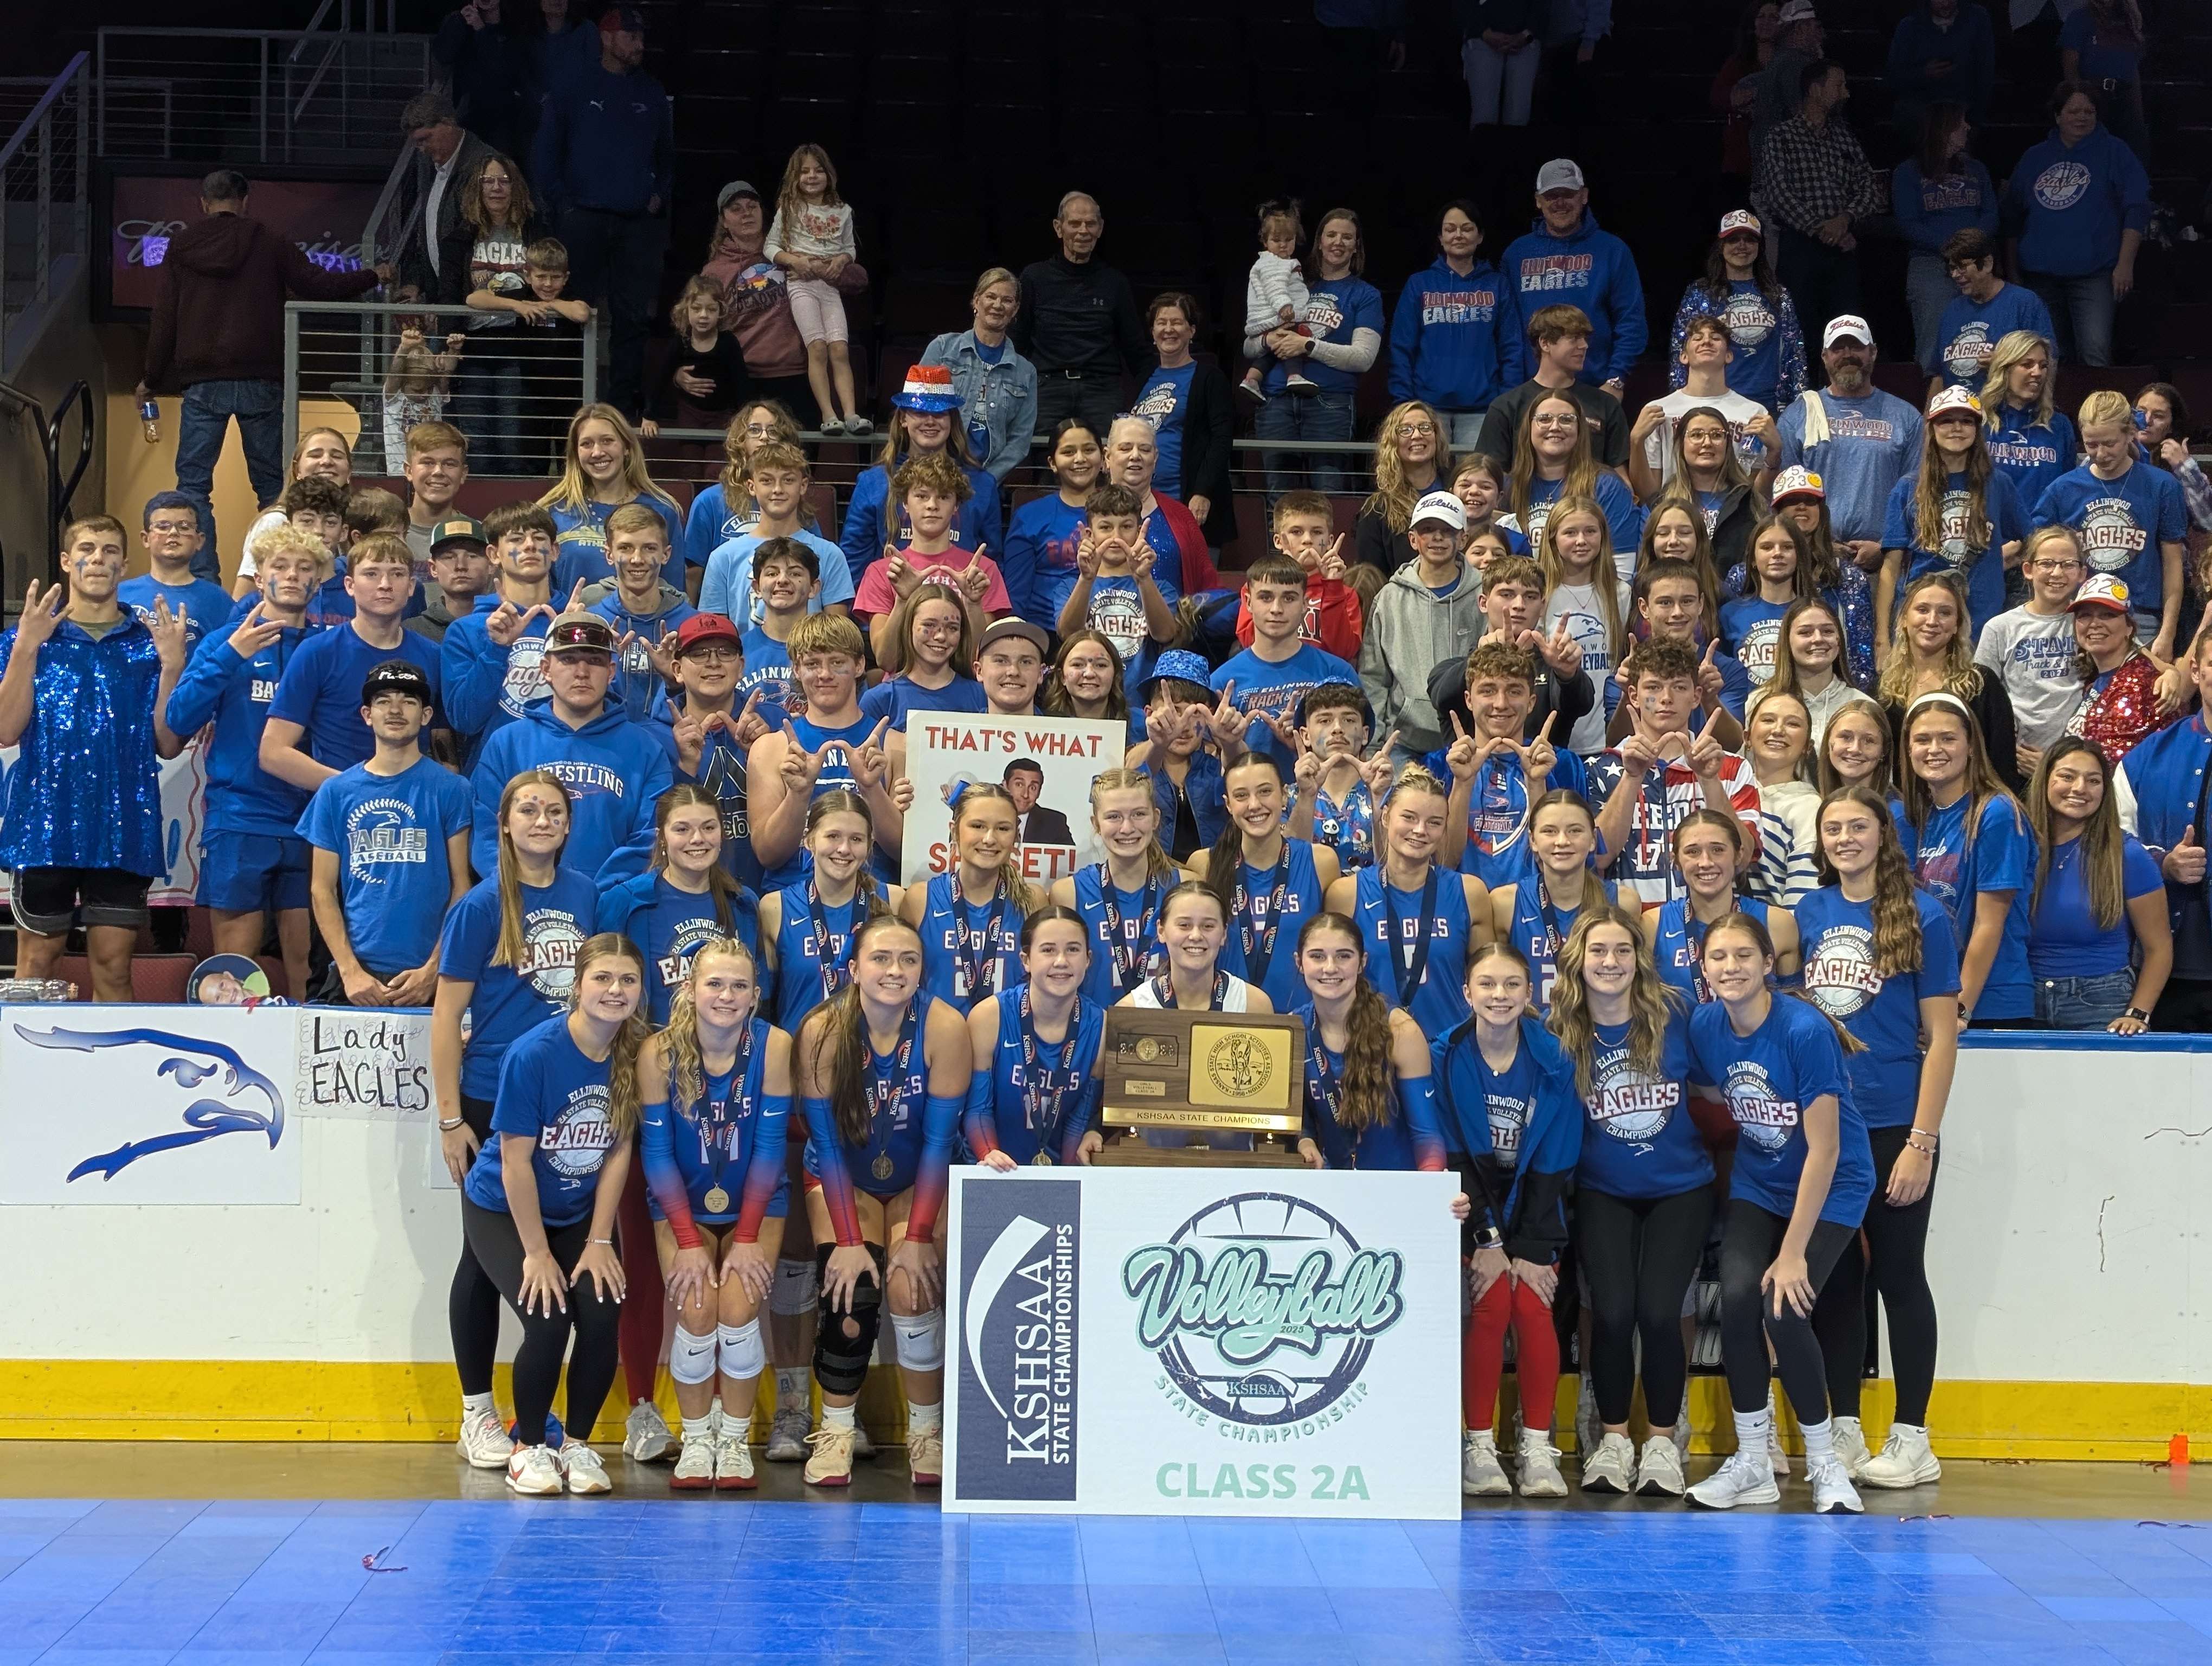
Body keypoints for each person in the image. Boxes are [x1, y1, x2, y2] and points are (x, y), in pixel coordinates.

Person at [1683, 911, 1875, 1514]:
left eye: (1744, 956)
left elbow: (1826, 1150)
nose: (1731, 967)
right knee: (1738, 1298)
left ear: (1769, 964)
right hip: (1760, 1184)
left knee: (1785, 1309)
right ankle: (1752, 1462)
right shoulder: (1707, 1024)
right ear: (1704, 968)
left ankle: (1824, 1466)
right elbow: (1709, 1088)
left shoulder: (1803, 1030)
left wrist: (1793, 1254)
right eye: (1719, 958)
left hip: (1834, 1186)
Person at [432, 767, 594, 1470]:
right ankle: (476, 1412)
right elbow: (445, 1017)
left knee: (518, 1257)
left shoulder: (587, 897)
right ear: (504, 823)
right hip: (488, 1098)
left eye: (552, 811)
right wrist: (448, 1118)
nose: (539, 820)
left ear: (566, 825)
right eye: (526, 809)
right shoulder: (479, 906)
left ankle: (529, 1406)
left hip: (563, 1099)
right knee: (479, 1257)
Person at [1799, 785, 1960, 1488]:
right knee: (1835, 1280)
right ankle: (1841, 1430)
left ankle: (1913, 1437)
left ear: (1882, 835)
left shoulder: (1925, 915)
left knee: (1899, 1277)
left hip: (1896, 1122)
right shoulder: (1807, 912)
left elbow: (1944, 1036)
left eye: (1857, 826)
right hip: (1826, 1127)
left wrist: (1923, 1140)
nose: (1844, 838)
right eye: (1833, 828)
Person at [459, 933, 648, 1495]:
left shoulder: (635, 1053)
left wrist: (599, 1241)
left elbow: (618, 1151)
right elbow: (516, 1162)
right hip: (502, 1206)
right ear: (578, 984)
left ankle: (579, 1445)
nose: (615, 990)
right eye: (603, 978)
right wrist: (537, 1255)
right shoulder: (534, 1053)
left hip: (576, 1214)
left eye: (628, 980)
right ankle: (530, 1445)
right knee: (547, 1316)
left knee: (601, 1307)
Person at [790, 913, 970, 1487]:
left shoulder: (945, 1027)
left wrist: (917, 1237)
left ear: (924, 969)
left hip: (920, 1175)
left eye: (909, 960)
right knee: (852, 1291)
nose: (895, 971)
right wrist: (846, 1239)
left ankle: (927, 1431)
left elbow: (942, 1141)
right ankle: (837, 1429)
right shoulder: (822, 1028)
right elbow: (824, 1142)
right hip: (845, 1177)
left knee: (910, 1288)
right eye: (881, 959)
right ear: (854, 969)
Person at [139, 170, 384, 576]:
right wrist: (374, 275)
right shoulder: (268, 240)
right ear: (246, 200)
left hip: (203, 380)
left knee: (194, 485)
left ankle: (202, 576)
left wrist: (151, 378)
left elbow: (164, 316)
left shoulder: (182, 246)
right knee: (274, 487)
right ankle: (285, 567)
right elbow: (317, 284)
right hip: (261, 377)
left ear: (203, 203)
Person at [1546, 903, 1710, 1497]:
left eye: (1622, 950)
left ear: (1639, 959)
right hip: (1602, 1191)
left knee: (1661, 1313)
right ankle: (1613, 1441)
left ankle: (1662, 1444)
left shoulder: (1676, 1014)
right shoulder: (1559, 1028)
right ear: (1578, 961)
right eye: (1598, 951)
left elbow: (1720, 1085)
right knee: (1612, 1314)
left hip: (1680, 1189)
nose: (1610, 962)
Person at [0, 520, 189, 1000]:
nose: (99, 559)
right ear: (67, 561)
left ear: (125, 565)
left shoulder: (149, 646)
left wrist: (172, 666)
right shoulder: (25, 640)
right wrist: (25, 647)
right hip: (44, 827)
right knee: (35, 969)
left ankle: (117, 1076)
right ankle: (30, 1077)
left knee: (114, 969)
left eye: (110, 551)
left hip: (124, 826)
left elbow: (168, 744)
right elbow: (6, 730)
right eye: (87, 549)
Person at [635, 938, 791, 1488]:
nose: (727, 996)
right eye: (715, 984)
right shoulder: (657, 1053)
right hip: (682, 1203)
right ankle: (699, 1438)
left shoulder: (774, 1048)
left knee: (738, 1309)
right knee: (698, 1310)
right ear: (691, 989)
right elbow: (656, 1156)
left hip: (757, 1199)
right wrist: (688, 1239)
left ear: (755, 996)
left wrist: (747, 1235)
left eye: (739, 986)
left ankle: (735, 1438)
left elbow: (771, 1150)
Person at [165, 526, 321, 998]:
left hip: (312, 823)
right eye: (280, 567)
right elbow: (178, 719)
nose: (292, 576)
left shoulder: (326, 649)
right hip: (240, 819)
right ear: (260, 579)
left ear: (319, 584)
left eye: (305, 569)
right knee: (233, 970)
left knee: (308, 965)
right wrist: (230, 656)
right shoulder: (224, 643)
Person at [300, 661, 473, 1007]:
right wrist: (350, 972)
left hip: (432, 975)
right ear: (367, 714)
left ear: (426, 716)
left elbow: (462, 887)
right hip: (357, 977)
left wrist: (435, 969)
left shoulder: (453, 789)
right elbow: (321, 889)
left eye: (408, 700)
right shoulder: (336, 792)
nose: (395, 709)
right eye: (383, 700)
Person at [531, 4, 673, 418]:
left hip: (634, 223)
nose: (639, 45)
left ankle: (623, 411)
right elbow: (546, 153)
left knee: (632, 319)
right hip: (584, 218)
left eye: (642, 37)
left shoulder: (650, 91)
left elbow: (667, 158)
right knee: (574, 310)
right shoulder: (573, 85)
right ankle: (566, 408)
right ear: (608, 38)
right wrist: (564, 204)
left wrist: (657, 196)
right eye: (631, 37)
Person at [469, 614, 670, 883]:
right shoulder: (507, 744)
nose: (582, 672)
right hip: (525, 900)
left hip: (614, 908)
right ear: (545, 668)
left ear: (612, 672)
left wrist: (605, 896)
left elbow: (651, 837)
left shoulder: (646, 750)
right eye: (569, 659)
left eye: (595, 661)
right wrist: (525, 886)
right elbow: (486, 832)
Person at [1895, 690, 2035, 1027]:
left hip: (1988, 1001)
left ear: (1971, 746)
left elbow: (1990, 923)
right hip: (1934, 995)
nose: (1934, 750)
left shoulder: (1996, 813)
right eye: (1923, 739)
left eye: (1948, 739)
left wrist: (1961, 1009)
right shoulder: (1917, 817)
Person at [1592, 637, 1763, 908]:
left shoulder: (1731, 768)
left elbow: (1742, 859)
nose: (1666, 699)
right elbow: (1598, 856)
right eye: (1654, 688)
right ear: (1634, 697)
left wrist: (1709, 780)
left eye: (1679, 687)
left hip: (1713, 929)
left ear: (1696, 697)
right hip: (1630, 929)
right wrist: (1632, 777)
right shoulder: (1601, 769)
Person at [261, 536, 443, 790]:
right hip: (341, 812)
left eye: (397, 574)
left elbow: (442, 743)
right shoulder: (317, 652)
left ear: (412, 586)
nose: (385, 585)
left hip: (414, 809)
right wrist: (355, 789)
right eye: (371, 574)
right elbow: (273, 753)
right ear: (349, 585)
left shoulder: (433, 655)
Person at [1324, 765, 1490, 1035]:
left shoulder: (1470, 893)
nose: (1421, 830)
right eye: (1409, 818)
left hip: (1449, 1050)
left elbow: (1488, 980)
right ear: (1387, 816)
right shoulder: (1346, 894)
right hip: (1371, 1050)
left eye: (1434, 822)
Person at [745, 613, 903, 887]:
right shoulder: (770, 748)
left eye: (837, 662)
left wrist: (872, 788)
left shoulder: (897, 745)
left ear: (859, 665)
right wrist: (799, 794)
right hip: (793, 898)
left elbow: (904, 851)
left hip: (873, 898)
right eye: (812, 664)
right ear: (796, 669)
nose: (825, 675)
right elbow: (767, 854)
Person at [2025, 736, 2170, 1030]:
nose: (2080, 788)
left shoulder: (2127, 855)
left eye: (2093, 781)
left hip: (2101, 1001)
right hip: (2024, 997)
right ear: (2044, 780)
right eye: (2067, 776)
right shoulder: (2018, 846)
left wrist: (2137, 1013)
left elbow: (2159, 948)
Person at [2003, 82, 2151, 369]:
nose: (2082, 117)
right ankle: (2051, 415)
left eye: (2089, 111)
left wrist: (2125, 265)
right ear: (2058, 116)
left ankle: (2098, 414)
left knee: (2095, 352)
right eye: (2074, 111)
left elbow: (2137, 208)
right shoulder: (2035, 157)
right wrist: (2012, 272)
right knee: (2042, 358)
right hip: (2040, 277)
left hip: (2094, 275)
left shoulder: (2114, 151)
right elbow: (2011, 217)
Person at [2035, 390, 2188, 659]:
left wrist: (2168, 633)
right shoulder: (2062, 490)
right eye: (2091, 445)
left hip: (2141, 617)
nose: (2101, 454)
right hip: (2081, 616)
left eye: (2110, 443)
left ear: (2130, 434)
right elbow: (2040, 558)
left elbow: (2173, 564)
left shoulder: (2162, 486)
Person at [597, 783, 761, 1023]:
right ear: (661, 837)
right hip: (649, 1053)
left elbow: (758, 996)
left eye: (709, 828)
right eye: (682, 829)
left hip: (726, 1054)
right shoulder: (623, 902)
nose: (697, 839)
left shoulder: (744, 904)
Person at [1250, 206, 1382, 501]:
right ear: (1319, 241)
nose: (1338, 242)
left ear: (1356, 245)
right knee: (1279, 500)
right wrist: (1268, 339)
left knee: (1327, 497)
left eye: (1347, 237)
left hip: (1330, 404)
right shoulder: (1290, 281)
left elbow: (1363, 358)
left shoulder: (1365, 295)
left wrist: (1307, 346)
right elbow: (1249, 344)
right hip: (1276, 400)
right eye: (1331, 235)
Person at [1190, 753, 1340, 1011]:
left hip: (1303, 1023)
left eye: (1265, 791)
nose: (1254, 805)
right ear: (1227, 805)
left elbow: (1339, 947)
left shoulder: (1321, 862)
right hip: (1226, 1023)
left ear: (1284, 796)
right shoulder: (1204, 865)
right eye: (1241, 796)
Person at [1879, 386, 2030, 642]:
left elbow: (2031, 539)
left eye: (1966, 421)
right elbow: (1891, 569)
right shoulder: (1908, 487)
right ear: (1932, 428)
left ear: (1977, 430)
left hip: (1982, 626)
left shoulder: (1998, 483)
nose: (1957, 428)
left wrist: (2001, 557)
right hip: (1926, 625)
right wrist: (1881, 639)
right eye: (1946, 421)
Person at [2117, 630, 2212, 1029]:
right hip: (2170, 970)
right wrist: (2161, 863)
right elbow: (2111, 842)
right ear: (2196, 669)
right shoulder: (2146, 756)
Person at [963, 908, 1107, 1168]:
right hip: (991, 1167)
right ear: (1026, 959)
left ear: (1088, 959)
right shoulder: (988, 1017)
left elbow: (1080, 1117)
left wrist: (1063, 1178)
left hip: (1059, 1169)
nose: (1061, 961)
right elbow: (978, 1108)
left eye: (1073, 950)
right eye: (1048, 950)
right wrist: (989, 1153)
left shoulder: (1102, 1026)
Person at [1779, 317, 1925, 573]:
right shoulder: (1798, 414)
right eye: (1838, 349)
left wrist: (1885, 547)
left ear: (1873, 352)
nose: (1847, 355)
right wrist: (1818, 545)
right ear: (1825, 357)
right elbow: (1782, 497)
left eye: (1856, 347)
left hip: (1885, 565)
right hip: (1811, 563)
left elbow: (1919, 496)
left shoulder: (1907, 417)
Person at [839, 370, 1005, 587]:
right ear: (903, 419)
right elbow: (854, 559)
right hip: (889, 609)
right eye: (920, 412)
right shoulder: (873, 482)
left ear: (952, 420)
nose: (930, 421)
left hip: (961, 608)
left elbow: (992, 561)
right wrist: (863, 621)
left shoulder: (982, 484)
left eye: (939, 413)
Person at [1499, 160, 1647, 401]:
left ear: (1584, 196)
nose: (1560, 203)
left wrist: (1616, 381)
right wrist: (1513, 391)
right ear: (1538, 201)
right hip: (1531, 391)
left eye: (1568, 194)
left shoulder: (1612, 250)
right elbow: (1508, 330)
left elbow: (1631, 321)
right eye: (1551, 196)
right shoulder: (1516, 254)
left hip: (1595, 390)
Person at [1361, 490, 1490, 765]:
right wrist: (1373, 745)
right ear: (1413, 539)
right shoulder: (1389, 598)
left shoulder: (1485, 595)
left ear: (1463, 538)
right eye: (1428, 530)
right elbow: (1374, 679)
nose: (1438, 538)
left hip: (1471, 739)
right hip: (1403, 743)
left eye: (1448, 530)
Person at [1756, 60, 1879, 337]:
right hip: (1801, 247)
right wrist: (1822, 228)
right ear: (1815, 89)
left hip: (1843, 247)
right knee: (1802, 334)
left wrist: (1845, 220)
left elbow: (1870, 188)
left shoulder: (1845, 139)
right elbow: (1778, 194)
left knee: (1847, 333)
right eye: (1839, 85)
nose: (1846, 92)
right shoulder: (1781, 136)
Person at [1012, 191, 1146, 441]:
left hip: (1102, 390)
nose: (1083, 231)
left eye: (1090, 224)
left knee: (1106, 465)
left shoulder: (1115, 282)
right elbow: (1017, 342)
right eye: (1075, 223)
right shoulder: (1034, 278)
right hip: (1047, 388)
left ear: (1101, 228)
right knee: (1045, 467)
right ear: (1058, 228)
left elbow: (1135, 348)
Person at [1210, 557, 1362, 773]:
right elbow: (1214, 768)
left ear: (1305, 604)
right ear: (1248, 601)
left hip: (1320, 802)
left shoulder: (1337, 673)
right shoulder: (1222, 681)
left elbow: (1357, 755)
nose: (1276, 609)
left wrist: (1308, 740)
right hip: (1254, 803)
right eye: (1265, 597)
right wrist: (1230, 742)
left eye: (1289, 598)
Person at [758, 790, 895, 1029]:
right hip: (799, 1058)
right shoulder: (776, 908)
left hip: (870, 1060)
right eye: (833, 836)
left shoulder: (893, 901)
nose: (844, 849)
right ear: (809, 840)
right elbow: (764, 1006)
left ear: (869, 844)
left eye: (856, 839)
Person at [854, 454, 1011, 658]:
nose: (932, 505)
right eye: (921, 496)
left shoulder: (981, 570)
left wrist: (973, 605)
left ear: (956, 506)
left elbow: (978, 659)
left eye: (944, 497)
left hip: (963, 685)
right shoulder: (884, 571)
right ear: (905, 503)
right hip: (902, 685)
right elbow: (886, 659)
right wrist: (903, 601)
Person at [898, 783, 1038, 1013]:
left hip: (1009, 1043)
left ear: (1016, 834)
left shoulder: (1032, 901)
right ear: (955, 830)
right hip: (939, 1042)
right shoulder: (920, 900)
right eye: (978, 826)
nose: (989, 839)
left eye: (1003, 829)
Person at [441, 502, 561, 766]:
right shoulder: (467, 630)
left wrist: (576, 636)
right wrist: (496, 649)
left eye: (539, 538)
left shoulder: (576, 620)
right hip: (495, 775)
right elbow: (465, 720)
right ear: (494, 554)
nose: (530, 546)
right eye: (517, 539)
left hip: (566, 768)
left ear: (554, 551)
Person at [1880, 572, 2021, 792]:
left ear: (1957, 625)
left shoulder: (1981, 684)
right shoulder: (1886, 691)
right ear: (1904, 619)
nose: (1932, 621)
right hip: (1907, 813)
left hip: (1974, 811)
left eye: (1945, 613)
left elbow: (2003, 767)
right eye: (1923, 610)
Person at [1386, 201, 1510, 451]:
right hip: (1427, 410)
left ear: (1480, 236)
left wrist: (1505, 402)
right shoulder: (1419, 284)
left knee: (1473, 486)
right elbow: (1401, 348)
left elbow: (1512, 347)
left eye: (1467, 228)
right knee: (1428, 483)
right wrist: (1404, 404)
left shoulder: (1497, 285)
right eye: (1450, 229)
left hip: (1483, 409)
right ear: (1441, 238)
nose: (1458, 235)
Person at [451, 152, 545, 476]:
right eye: (488, 181)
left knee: (512, 437)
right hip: (474, 347)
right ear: (476, 189)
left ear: (515, 187)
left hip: (520, 348)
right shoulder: (461, 237)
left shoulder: (535, 232)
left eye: (504, 181)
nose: (496, 188)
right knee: (476, 439)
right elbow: (456, 297)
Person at [1052, 769, 1177, 1007]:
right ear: (1096, 824)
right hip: (1093, 1032)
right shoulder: (1068, 893)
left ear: (1156, 818)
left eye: (1139, 814)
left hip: (1167, 1032)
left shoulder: (1184, 887)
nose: (1127, 828)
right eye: (1114, 817)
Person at [763, 143, 863, 435]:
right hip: (801, 285)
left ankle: (851, 414)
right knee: (817, 348)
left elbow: (849, 249)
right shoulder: (790, 208)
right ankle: (828, 414)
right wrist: (794, 260)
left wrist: (842, 261)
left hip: (829, 287)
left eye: (818, 170)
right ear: (795, 177)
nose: (812, 176)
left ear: (829, 175)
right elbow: (771, 247)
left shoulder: (843, 211)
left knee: (840, 349)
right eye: (805, 171)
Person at [1893, 102, 2002, 369]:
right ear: (1942, 129)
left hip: (1976, 263)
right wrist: (1953, 248)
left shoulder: (1977, 170)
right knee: (1934, 346)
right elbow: (1908, 223)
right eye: (1960, 122)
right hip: (1932, 264)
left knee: (1983, 341)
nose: (1967, 127)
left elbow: (1991, 214)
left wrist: (1972, 247)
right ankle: (1932, 406)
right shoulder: (1908, 172)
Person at [1648, 805, 1801, 996]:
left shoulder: (1777, 924)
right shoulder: (1652, 925)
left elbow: (1794, 1008)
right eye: (1693, 852)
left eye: (1718, 850)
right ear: (1676, 861)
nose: (1706, 863)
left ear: (1738, 855)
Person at [1976, 524, 2089, 775]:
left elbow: (2131, 659)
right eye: (2047, 563)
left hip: (2072, 762)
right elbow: (1983, 701)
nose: (2057, 573)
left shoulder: (2089, 623)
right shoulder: (2000, 628)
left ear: (2082, 573)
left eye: (2068, 564)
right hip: (2014, 760)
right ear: (2028, 569)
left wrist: (2167, 672)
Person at [697, 441, 852, 624]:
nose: (777, 489)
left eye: (788, 480)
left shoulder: (830, 555)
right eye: (767, 481)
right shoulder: (723, 558)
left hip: (810, 652)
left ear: (803, 486)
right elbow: (714, 633)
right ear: (752, 487)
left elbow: (837, 636)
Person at [700, 187, 818, 424]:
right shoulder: (714, 272)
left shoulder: (789, 254)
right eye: (737, 209)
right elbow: (698, 327)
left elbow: (858, 280)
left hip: (795, 371)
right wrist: (680, 373)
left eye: (752, 207)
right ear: (724, 221)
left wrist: (835, 266)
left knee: (799, 457)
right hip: (744, 377)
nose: (747, 214)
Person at [1671, 212, 1807, 415]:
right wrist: (1682, 403)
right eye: (1733, 240)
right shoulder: (1700, 294)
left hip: (1770, 405)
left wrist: (1799, 404)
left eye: (1750, 240)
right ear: (1721, 247)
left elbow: (1795, 353)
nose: (1742, 246)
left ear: (1759, 247)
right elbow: (1680, 350)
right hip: (1715, 404)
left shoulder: (1779, 296)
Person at [539, 405, 686, 591]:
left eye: (607, 441)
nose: (597, 452)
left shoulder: (663, 511)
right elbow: (542, 590)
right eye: (587, 444)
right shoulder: (555, 512)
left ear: (627, 447)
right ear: (576, 453)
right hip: (573, 620)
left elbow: (674, 594)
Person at [1488, 788, 1611, 1007]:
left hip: (1594, 1036)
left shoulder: (1621, 902)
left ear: (1593, 840)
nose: (1562, 841)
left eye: (1575, 831)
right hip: (1529, 1037)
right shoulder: (1505, 903)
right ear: (1532, 840)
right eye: (1550, 831)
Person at [1131, 293, 1236, 552]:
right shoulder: (1145, 375)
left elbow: (1221, 440)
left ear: (1192, 330)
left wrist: (1203, 492)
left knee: (1192, 590)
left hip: (1188, 504)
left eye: (1177, 323)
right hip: (1143, 504)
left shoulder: (1210, 377)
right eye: (1161, 323)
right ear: (1153, 331)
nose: (1169, 330)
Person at [1476, 305, 1635, 474]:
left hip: (1589, 497)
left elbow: (1620, 473)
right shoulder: (1506, 407)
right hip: (1524, 497)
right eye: (1574, 338)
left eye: (1585, 338)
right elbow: (1492, 477)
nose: (1584, 346)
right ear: (1545, 343)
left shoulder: (1605, 404)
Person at [920, 269, 1037, 486]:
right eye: (991, 296)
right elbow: (918, 410)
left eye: (1007, 300)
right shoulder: (943, 348)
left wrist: (989, 480)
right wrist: (937, 468)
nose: (998, 305)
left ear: (1015, 310)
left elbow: (1020, 440)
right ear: (976, 301)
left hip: (989, 480)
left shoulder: (1026, 371)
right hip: (936, 474)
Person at [1537, 498, 1633, 753]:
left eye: (1590, 531)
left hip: (1607, 739)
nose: (1582, 540)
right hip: (1553, 739)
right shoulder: (1541, 595)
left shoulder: (1621, 593)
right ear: (1553, 538)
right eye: (1570, 532)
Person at [583, 506, 695, 721]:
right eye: (625, 548)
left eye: (649, 548)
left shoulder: (690, 624)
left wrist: (674, 681)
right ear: (609, 554)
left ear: (666, 555)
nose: (637, 559)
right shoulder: (593, 622)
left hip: (674, 745)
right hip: (606, 745)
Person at [1509, 397, 1643, 568]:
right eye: (1545, 419)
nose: (1555, 427)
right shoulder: (1510, 487)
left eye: (1566, 420)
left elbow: (1621, 568)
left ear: (1580, 430)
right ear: (1528, 428)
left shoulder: (1607, 487)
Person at [1637, 406, 1764, 581]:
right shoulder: (1659, 505)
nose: (1707, 443)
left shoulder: (1749, 500)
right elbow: (1645, 567)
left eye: (1717, 435)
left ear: (1727, 445)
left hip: (1737, 604)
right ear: (1681, 444)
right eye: (1696, 435)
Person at [393, 90, 497, 304]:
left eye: (425, 139)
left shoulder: (489, 167)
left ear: (448, 124)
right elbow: (429, 237)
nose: (421, 149)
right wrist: (416, 282)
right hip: (448, 302)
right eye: (417, 143)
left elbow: (482, 239)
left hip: (479, 305)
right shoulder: (432, 167)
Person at [1115, 881, 1274, 1018]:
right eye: (1184, 925)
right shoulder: (1132, 1009)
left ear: (1224, 933)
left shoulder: (1254, 1006)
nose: (1196, 936)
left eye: (1208, 926)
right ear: (1161, 931)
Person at [230, 426, 356, 599]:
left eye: (336, 456)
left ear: (349, 471)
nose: (326, 461)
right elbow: (243, 597)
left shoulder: (348, 520)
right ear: (297, 470)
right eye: (316, 455)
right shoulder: (276, 521)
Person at [1134, 654, 1236, 862]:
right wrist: (1158, 744)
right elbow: (1130, 780)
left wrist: (1232, 743)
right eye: (1174, 711)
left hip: (1214, 882)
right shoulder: (1133, 756)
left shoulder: (1217, 766)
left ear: (1211, 715)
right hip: (1153, 882)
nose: (1184, 724)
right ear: (1149, 714)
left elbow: (1246, 778)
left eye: (1196, 713)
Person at [1928, 229, 2054, 396]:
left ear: (1987, 264)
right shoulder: (1951, 310)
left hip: (2008, 414)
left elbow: (2048, 361)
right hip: (1961, 417)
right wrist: (1928, 420)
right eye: (1952, 268)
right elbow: (1938, 376)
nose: (1955, 275)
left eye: (1963, 267)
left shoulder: (2025, 303)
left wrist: (2003, 362)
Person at [2068, 573, 2175, 766]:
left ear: (2129, 628)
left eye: (2107, 615)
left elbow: (2112, 764)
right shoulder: (2097, 682)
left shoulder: (2145, 687)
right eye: (2085, 615)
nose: (2094, 624)